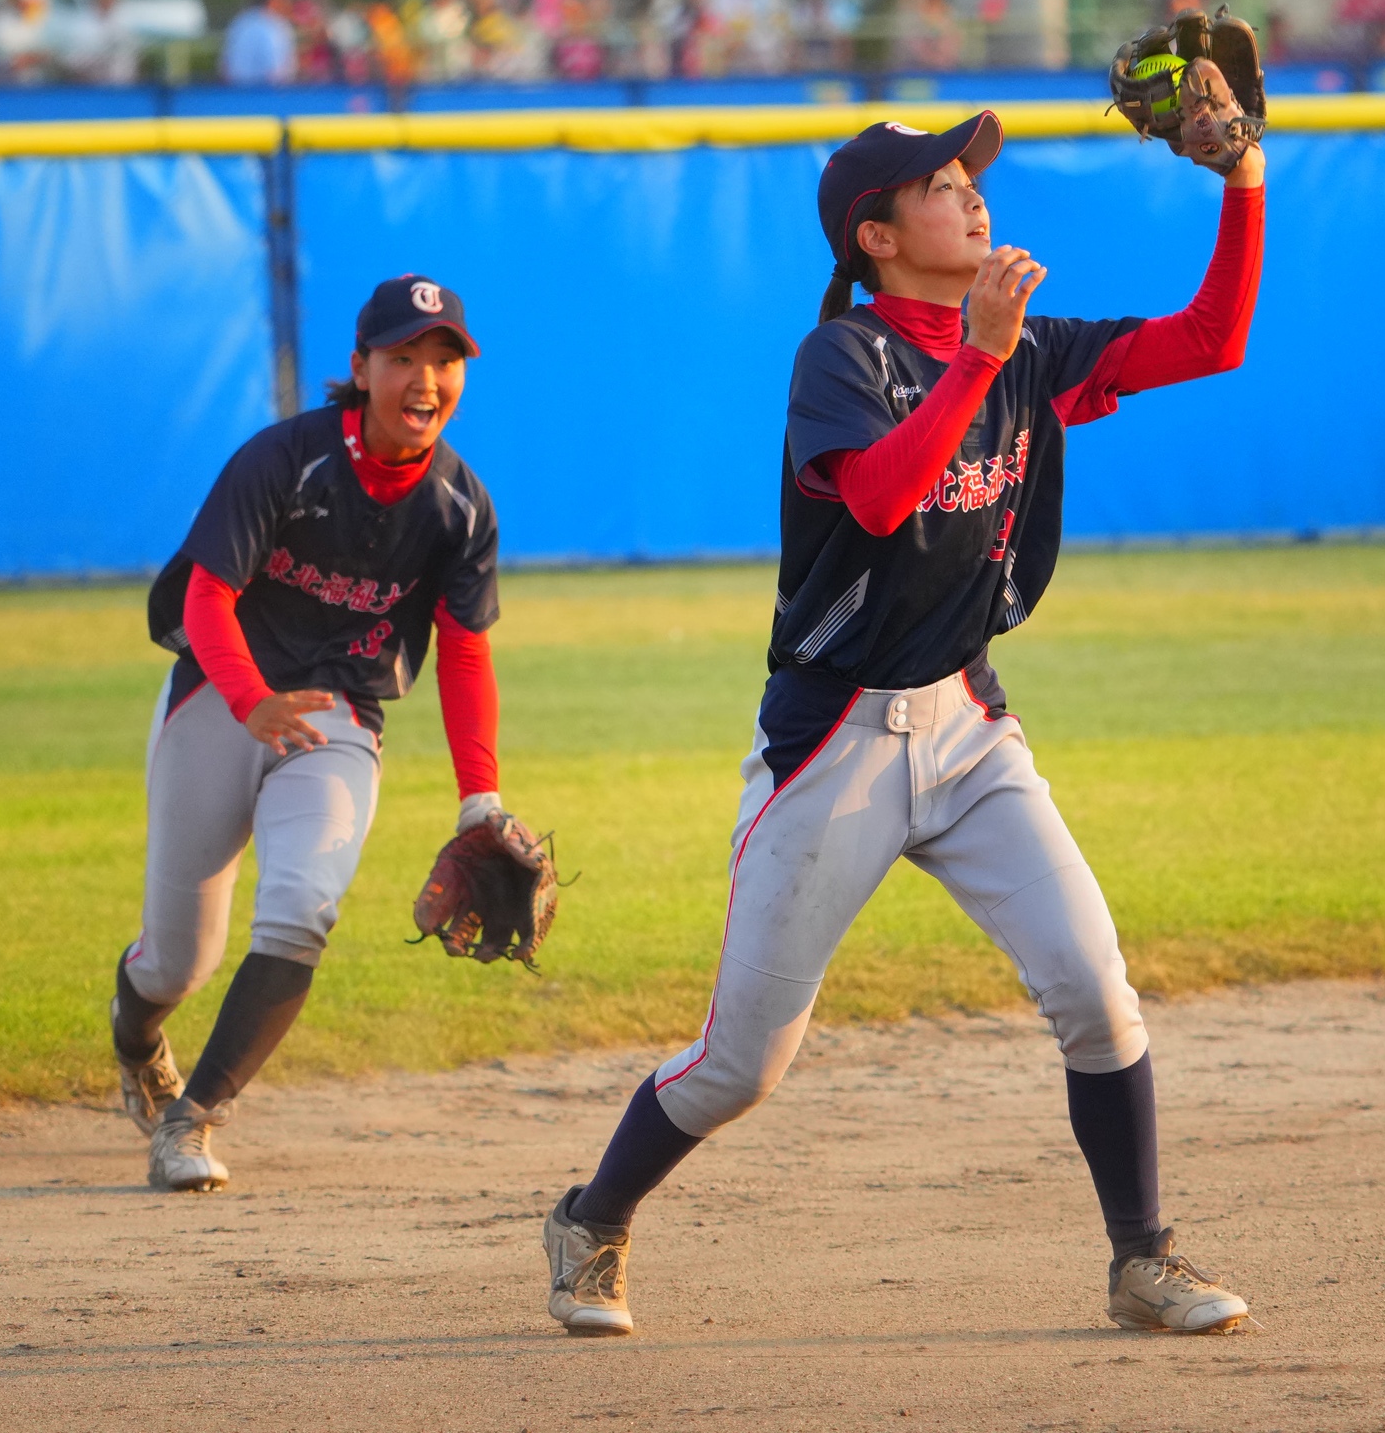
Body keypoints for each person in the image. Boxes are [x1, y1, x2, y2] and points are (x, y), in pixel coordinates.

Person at [540, 109, 1268, 1337]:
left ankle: (1142, 1259)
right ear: (875, 236)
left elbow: (1213, 338)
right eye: (939, 183)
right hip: (835, 743)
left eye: (971, 177)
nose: (972, 195)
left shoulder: (1027, 350)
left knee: (1097, 993)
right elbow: (880, 500)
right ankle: (592, 1216)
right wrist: (979, 358)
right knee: (741, 1064)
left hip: (969, 727)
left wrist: (1244, 173)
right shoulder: (842, 357)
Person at [111, 276, 507, 1191]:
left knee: (300, 908)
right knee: (178, 961)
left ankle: (191, 1121)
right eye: (403, 357)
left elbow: (464, 652)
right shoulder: (285, 460)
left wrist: (479, 795)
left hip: (338, 718)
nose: (426, 378)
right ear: (361, 369)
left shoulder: (461, 507)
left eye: (445, 359)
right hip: (221, 698)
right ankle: (136, 1040)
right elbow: (208, 596)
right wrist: (251, 698)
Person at [221, 0, 297, 85]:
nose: (289, 2)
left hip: (234, 92)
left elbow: (225, 69)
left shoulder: (239, 23)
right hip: (266, 93)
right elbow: (278, 74)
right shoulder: (277, 27)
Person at [70, 0, 142, 85]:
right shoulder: (82, 22)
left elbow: (132, 45)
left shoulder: (121, 20)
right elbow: (77, 57)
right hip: (90, 78)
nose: (109, 1)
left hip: (118, 80)